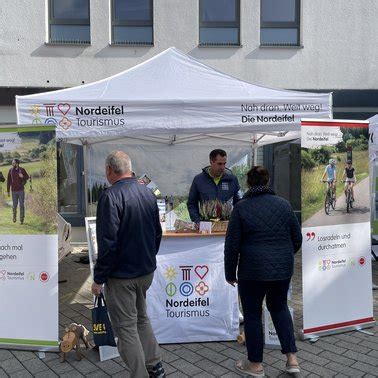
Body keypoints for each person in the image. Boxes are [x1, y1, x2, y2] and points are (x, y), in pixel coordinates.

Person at [91, 151, 165, 378]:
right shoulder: (148, 193)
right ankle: (155, 366)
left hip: (122, 276)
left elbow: (108, 243)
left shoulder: (109, 197)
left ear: (109, 171)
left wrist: (98, 278)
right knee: (141, 318)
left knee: (126, 327)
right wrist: (148, 258)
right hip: (145, 271)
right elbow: (157, 234)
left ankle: (140, 374)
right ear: (129, 168)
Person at [224, 166, 302, 377]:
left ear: (249, 183)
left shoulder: (241, 208)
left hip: (252, 270)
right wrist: (283, 255)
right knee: (279, 309)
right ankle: (292, 359)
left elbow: (232, 245)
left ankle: (256, 365)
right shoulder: (284, 205)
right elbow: (297, 239)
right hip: (282, 269)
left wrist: (230, 273)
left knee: (252, 315)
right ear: (267, 182)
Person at [187, 149, 240, 224]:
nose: (222, 167)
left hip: (227, 226)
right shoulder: (198, 180)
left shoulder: (233, 179)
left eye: (224, 163)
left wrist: (237, 222)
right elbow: (191, 203)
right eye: (219, 164)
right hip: (205, 227)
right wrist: (197, 221)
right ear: (211, 162)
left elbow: (239, 204)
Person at [7, 158, 29, 224]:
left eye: (13, 163)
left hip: (21, 191)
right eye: (12, 163)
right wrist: (8, 191)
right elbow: (8, 181)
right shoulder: (10, 170)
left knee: (21, 205)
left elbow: (27, 177)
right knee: (14, 205)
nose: (12, 164)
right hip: (13, 191)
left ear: (17, 163)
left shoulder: (22, 170)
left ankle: (21, 220)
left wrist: (22, 176)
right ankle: (14, 217)